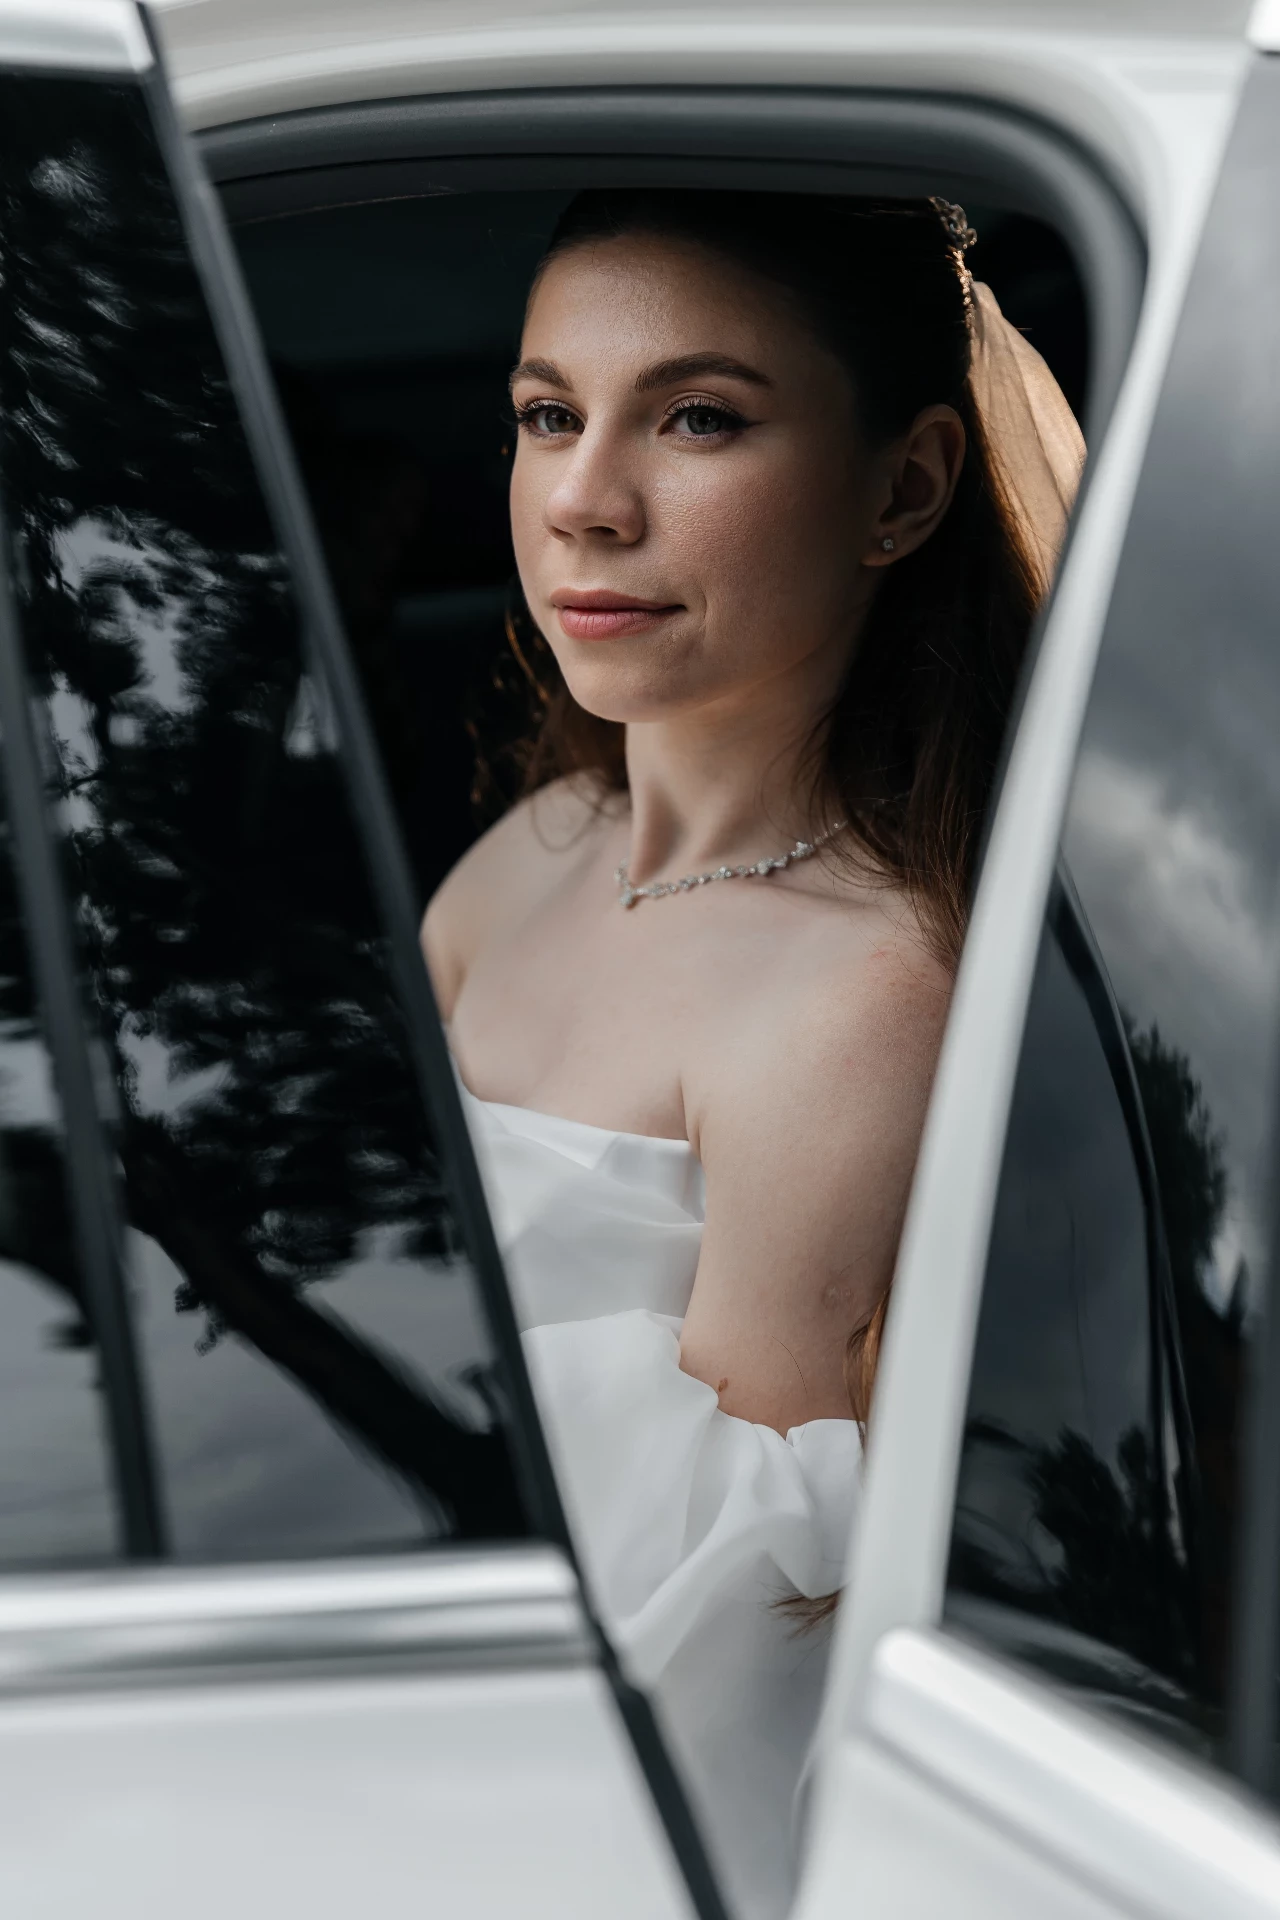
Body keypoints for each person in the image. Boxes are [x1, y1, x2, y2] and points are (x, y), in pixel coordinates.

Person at [423, 189, 1084, 1920]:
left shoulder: (863, 998)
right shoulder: (527, 853)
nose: (583, 499)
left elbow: (718, 1637)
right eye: (548, 414)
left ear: (903, 491)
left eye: (698, 418)